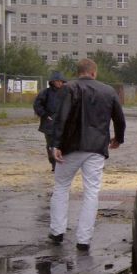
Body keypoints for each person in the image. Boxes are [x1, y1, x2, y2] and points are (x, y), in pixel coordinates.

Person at [48, 58, 126, 252]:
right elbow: (119, 118)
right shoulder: (108, 91)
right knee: (91, 191)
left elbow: (61, 118)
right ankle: (84, 239)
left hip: (70, 147)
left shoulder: (69, 88)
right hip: (97, 148)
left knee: (61, 186)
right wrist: (118, 138)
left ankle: (57, 232)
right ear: (93, 73)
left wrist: (55, 144)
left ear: (79, 72)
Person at [32, 71, 67, 170]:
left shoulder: (66, 92)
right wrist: (45, 115)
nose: (59, 83)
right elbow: (37, 105)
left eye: (61, 81)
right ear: (52, 82)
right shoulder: (46, 92)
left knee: (62, 143)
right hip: (49, 123)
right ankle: (53, 163)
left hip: (63, 122)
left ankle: (62, 163)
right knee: (51, 144)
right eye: (57, 81)